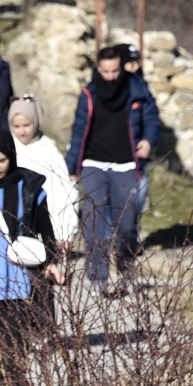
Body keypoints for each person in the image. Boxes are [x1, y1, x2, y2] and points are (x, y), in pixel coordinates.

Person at [0, 132, 64, 386]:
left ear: (11, 158)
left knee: (14, 337)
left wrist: (51, 261)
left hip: (20, 274)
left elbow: (45, 227)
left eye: (2, 161)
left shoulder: (29, 186)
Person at [67, 46, 163, 297]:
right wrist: (73, 167)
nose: (110, 76)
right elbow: (78, 130)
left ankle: (125, 269)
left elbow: (153, 119)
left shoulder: (137, 89)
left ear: (121, 68)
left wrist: (149, 140)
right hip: (94, 164)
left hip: (127, 165)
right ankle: (98, 277)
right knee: (94, 221)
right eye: (105, 71)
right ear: (98, 68)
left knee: (127, 225)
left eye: (114, 71)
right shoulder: (89, 93)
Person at [8, 95, 78, 258]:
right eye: (16, 126)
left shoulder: (49, 152)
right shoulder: (8, 151)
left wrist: (66, 233)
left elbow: (65, 194)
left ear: (36, 122)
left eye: (27, 125)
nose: (22, 131)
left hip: (47, 231)